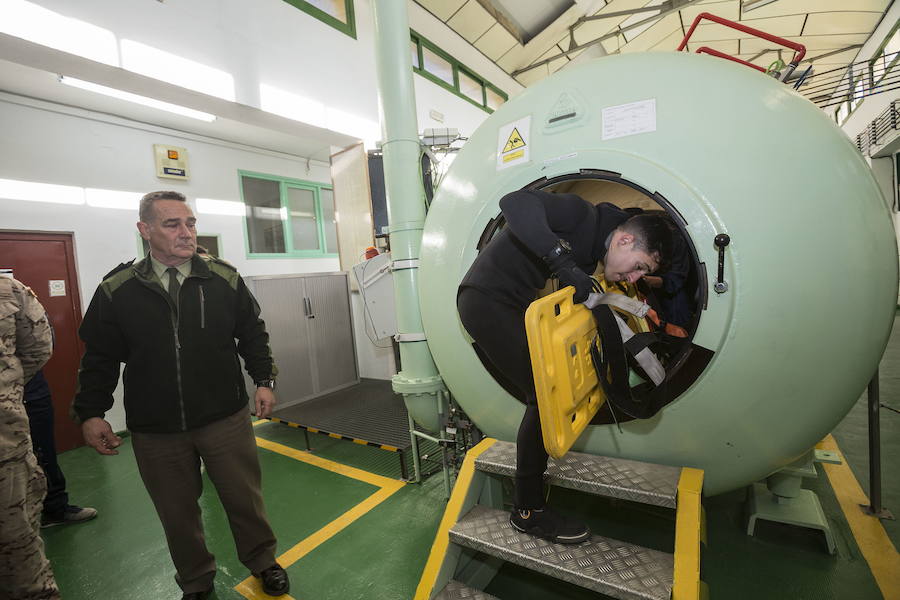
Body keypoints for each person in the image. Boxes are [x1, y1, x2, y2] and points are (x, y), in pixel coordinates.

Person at [72, 190, 288, 600]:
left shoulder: (222, 278)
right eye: (173, 224)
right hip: (157, 428)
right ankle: (196, 582)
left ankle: (263, 562)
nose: (186, 232)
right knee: (177, 513)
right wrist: (91, 412)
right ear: (145, 230)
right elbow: (99, 357)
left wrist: (264, 379)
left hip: (224, 416)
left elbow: (252, 332)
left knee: (245, 498)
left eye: (190, 223)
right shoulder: (118, 290)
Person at [457, 188, 672, 544]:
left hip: (518, 308)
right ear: (624, 239)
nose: (633, 278)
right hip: (485, 301)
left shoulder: (592, 254)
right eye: (639, 267)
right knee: (542, 399)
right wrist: (561, 262)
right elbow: (513, 202)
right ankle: (528, 512)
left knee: (547, 394)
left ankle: (531, 499)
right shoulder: (579, 214)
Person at [0, 275, 60, 599]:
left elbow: (39, 347)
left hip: (4, 453)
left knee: (19, 562)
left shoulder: (8, 291)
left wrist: (6, 391)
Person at [24, 369, 98, 527]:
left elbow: (41, 349)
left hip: (32, 393)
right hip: (9, 396)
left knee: (45, 454)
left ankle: (55, 509)